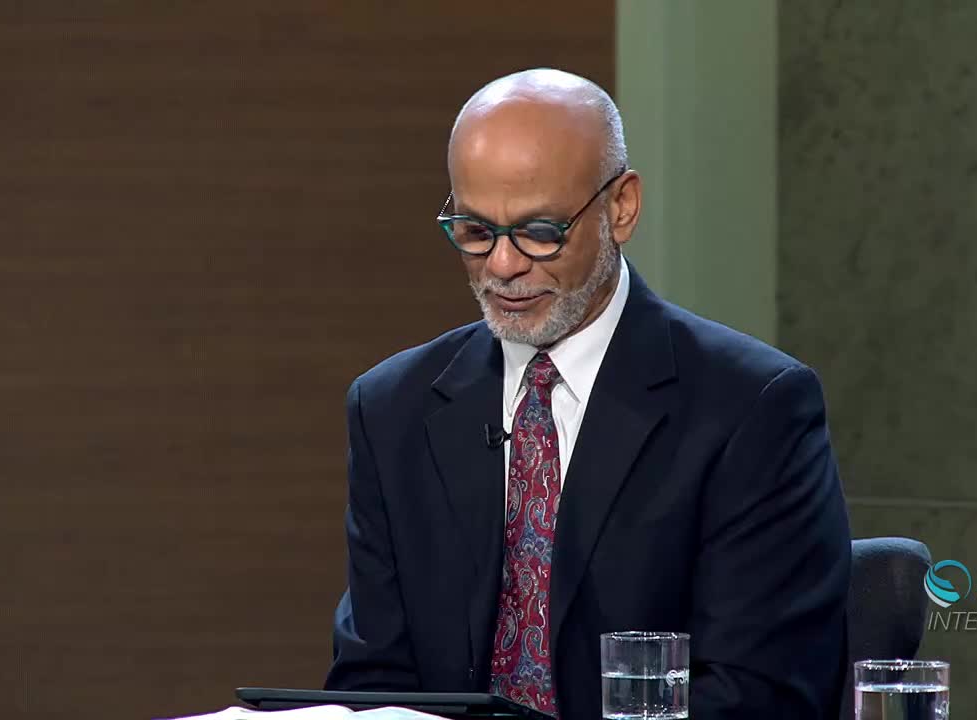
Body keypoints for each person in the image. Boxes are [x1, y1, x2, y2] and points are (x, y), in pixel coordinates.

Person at [325, 68, 851, 720]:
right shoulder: (391, 411)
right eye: (474, 230)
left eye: (540, 230)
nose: (502, 265)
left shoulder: (753, 410)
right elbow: (373, 685)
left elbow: (762, 696)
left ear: (621, 208)